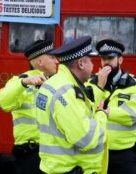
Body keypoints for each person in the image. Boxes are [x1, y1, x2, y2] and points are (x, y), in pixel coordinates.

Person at [37, 36, 109, 174]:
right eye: (91, 61)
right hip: (71, 168)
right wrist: (102, 115)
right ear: (81, 63)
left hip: (55, 167)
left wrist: (99, 88)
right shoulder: (66, 92)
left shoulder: (53, 83)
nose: (94, 67)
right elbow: (86, 139)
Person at [0, 40, 57, 174]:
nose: (56, 61)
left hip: (55, 154)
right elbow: (2, 102)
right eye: (52, 57)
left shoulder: (58, 82)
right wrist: (23, 83)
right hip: (31, 154)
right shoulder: (20, 81)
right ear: (40, 62)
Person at [89, 39, 136, 174]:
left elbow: (133, 115)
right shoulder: (91, 82)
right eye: (103, 58)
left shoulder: (134, 84)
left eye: (111, 58)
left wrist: (107, 112)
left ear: (120, 60)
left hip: (124, 153)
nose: (106, 62)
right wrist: (99, 86)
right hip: (97, 151)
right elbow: (86, 110)